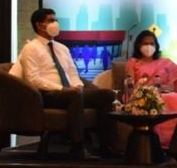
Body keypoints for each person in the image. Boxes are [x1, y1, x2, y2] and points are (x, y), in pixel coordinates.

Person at [17, 8, 116, 158]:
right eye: (51, 20)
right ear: (39, 25)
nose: (55, 23)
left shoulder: (62, 48)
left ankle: (106, 146)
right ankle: (78, 146)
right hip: (47, 94)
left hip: (70, 93)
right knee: (73, 96)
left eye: (56, 20)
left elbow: (72, 73)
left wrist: (78, 86)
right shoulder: (30, 49)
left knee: (106, 95)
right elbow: (33, 79)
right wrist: (62, 89)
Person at [125, 30, 177, 149]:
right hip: (141, 96)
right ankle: (164, 142)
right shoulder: (133, 62)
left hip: (162, 94)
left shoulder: (164, 62)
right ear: (138, 45)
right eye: (145, 43)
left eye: (152, 43)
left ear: (156, 46)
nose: (149, 46)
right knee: (165, 99)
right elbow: (129, 83)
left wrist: (169, 88)